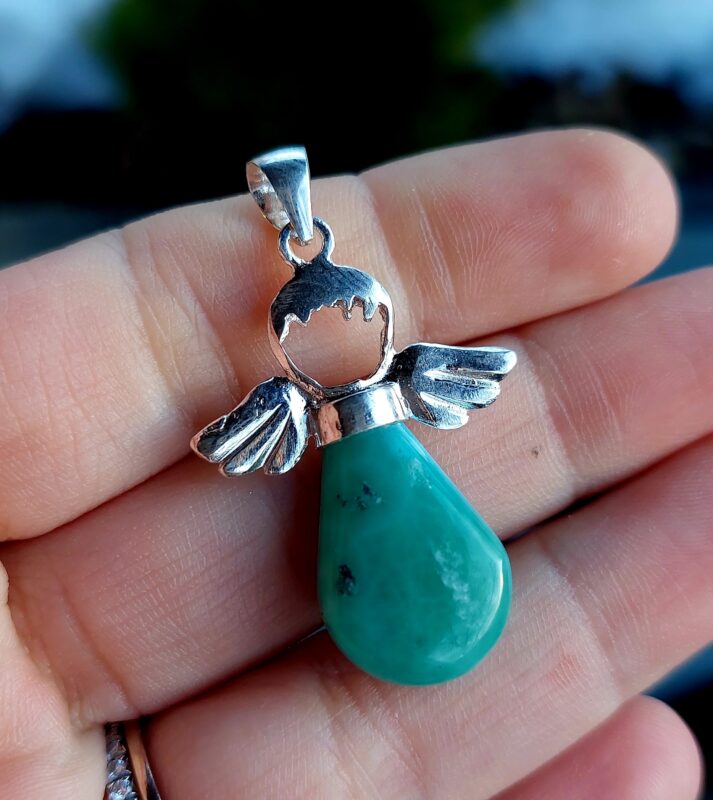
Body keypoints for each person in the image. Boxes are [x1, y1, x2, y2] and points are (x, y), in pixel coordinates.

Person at [0, 129, 709, 799]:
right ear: (289, 353)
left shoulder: (390, 385)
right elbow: (226, 443)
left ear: (381, 324)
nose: (345, 327)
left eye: (357, 318)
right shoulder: (296, 405)